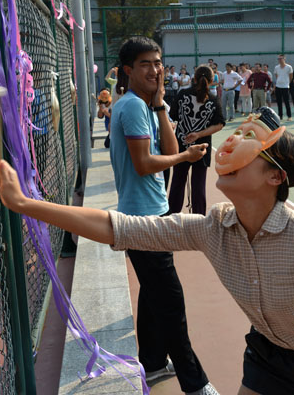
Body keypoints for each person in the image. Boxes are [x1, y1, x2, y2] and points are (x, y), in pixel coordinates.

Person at [0, 106, 294, 395]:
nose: (230, 146)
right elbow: (120, 228)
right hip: (271, 355)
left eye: (249, 143)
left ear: (275, 177)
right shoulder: (213, 229)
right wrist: (26, 204)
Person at [93, 36, 218, 395]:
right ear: (128, 70)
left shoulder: (147, 106)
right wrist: (185, 159)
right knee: (170, 303)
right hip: (142, 220)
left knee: (153, 295)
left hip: (154, 213)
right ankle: (196, 384)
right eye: (146, 63)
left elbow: (171, 147)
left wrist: (161, 104)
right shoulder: (132, 106)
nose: (155, 69)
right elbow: (145, 163)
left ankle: (151, 362)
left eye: (158, 62)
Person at [169, 65, 225, 215]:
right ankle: (199, 219)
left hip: (181, 145)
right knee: (199, 186)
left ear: (194, 78)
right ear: (211, 80)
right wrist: (199, 134)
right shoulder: (213, 99)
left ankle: (171, 217)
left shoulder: (182, 94)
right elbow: (220, 124)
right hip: (202, 148)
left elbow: (172, 116)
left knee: (177, 183)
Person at [274, 54, 294, 121]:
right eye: (278, 59)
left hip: (285, 87)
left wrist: (286, 83)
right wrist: (279, 81)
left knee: (286, 102)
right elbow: (276, 76)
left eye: (281, 58)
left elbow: (291, 77)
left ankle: (289, 116)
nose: (279, 60)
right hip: (278, 86)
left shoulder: (289, 67)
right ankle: (280, 116)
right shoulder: (276, 67)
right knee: (279, 102)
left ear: (284, 59)